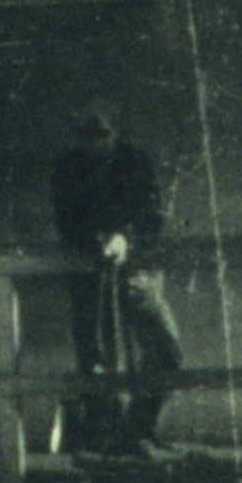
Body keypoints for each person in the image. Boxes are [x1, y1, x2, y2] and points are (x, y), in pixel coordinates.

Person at [50, 107, 186, 455]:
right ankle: (109, 448)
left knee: (166, 351)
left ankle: (138, 430)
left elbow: (152, 215)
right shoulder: (67, 167)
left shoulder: (136, 162)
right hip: (91, 281)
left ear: (116, 133)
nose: (96, 144)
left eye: (103, 134)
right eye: (87, 136)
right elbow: (67, 220)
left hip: (138, 275)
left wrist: (126, 237)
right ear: (77, 137)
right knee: (98, 365)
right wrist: (96, 239)